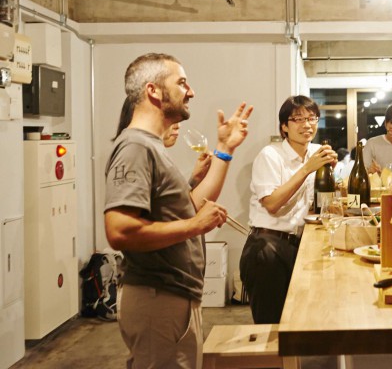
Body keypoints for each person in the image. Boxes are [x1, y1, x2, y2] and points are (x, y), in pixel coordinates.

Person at [104, 52, 253, 369]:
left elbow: (190, 206)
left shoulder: (152, 146)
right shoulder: (135, 147)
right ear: (153, 91)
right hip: (156, 297)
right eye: (182, 82)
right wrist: (195, 226)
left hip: (175, 296)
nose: (192, 91)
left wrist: (225, 150)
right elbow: (119, 231)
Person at [240, 95, 337, 324]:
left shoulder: (314, 152)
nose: (307, 124)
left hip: (297, 245)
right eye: (298, 119)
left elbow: (316, 201)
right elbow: (272, 204)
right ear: (284, 127)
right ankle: (270, 362)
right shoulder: (270, 155)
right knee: (270, 325)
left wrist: (331, 178)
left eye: (312, 118)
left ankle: (291, 362)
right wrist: (307, 169)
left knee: (296, 320)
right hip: (266, 249)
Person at [113, 96, 211, 188]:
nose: (178, 126)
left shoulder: (157, 156)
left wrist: (195, 178)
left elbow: (172, 203)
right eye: (168, 116)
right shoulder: (134, 154)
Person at [363, 104, 392, 177]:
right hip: (381, 188)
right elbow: (361, 173)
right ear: (385, 124)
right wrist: (370, 170)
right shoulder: (372, 144)